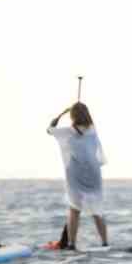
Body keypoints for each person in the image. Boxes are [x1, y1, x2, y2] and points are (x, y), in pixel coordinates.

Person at [47, 102, 108, 250]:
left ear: (72, 116)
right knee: (97, 210)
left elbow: (50, 130)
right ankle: (105, 243)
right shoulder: (92, 131)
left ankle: (72, 244)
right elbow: (98, 155)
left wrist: (58, 117)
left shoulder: (68, 131)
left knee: (74, 209)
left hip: (76, 174)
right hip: (93, 174)